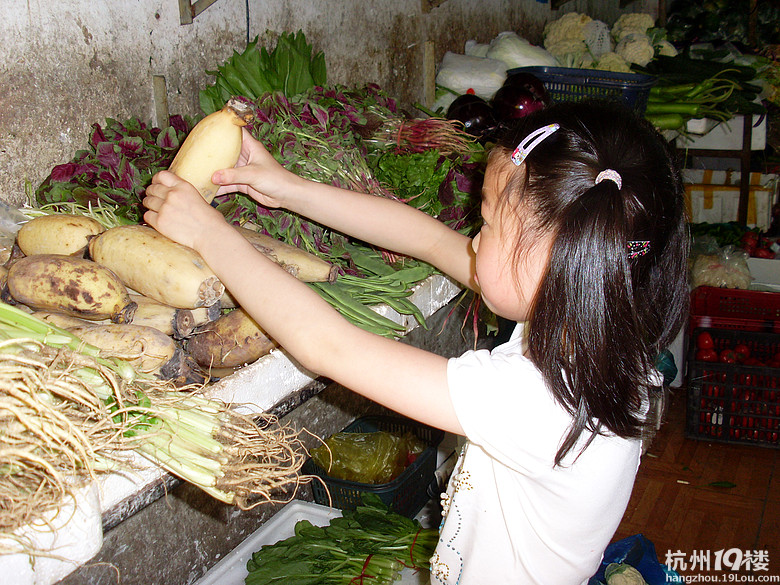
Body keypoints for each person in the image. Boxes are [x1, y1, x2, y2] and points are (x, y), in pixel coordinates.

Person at [143, 99, 689, 585]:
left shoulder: (539, 400)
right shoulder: (592, 323)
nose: (474, 242)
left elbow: (328, 346)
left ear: (558, 261)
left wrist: (209, 234)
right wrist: (287, 188)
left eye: (488, 225)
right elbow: (427, 238)